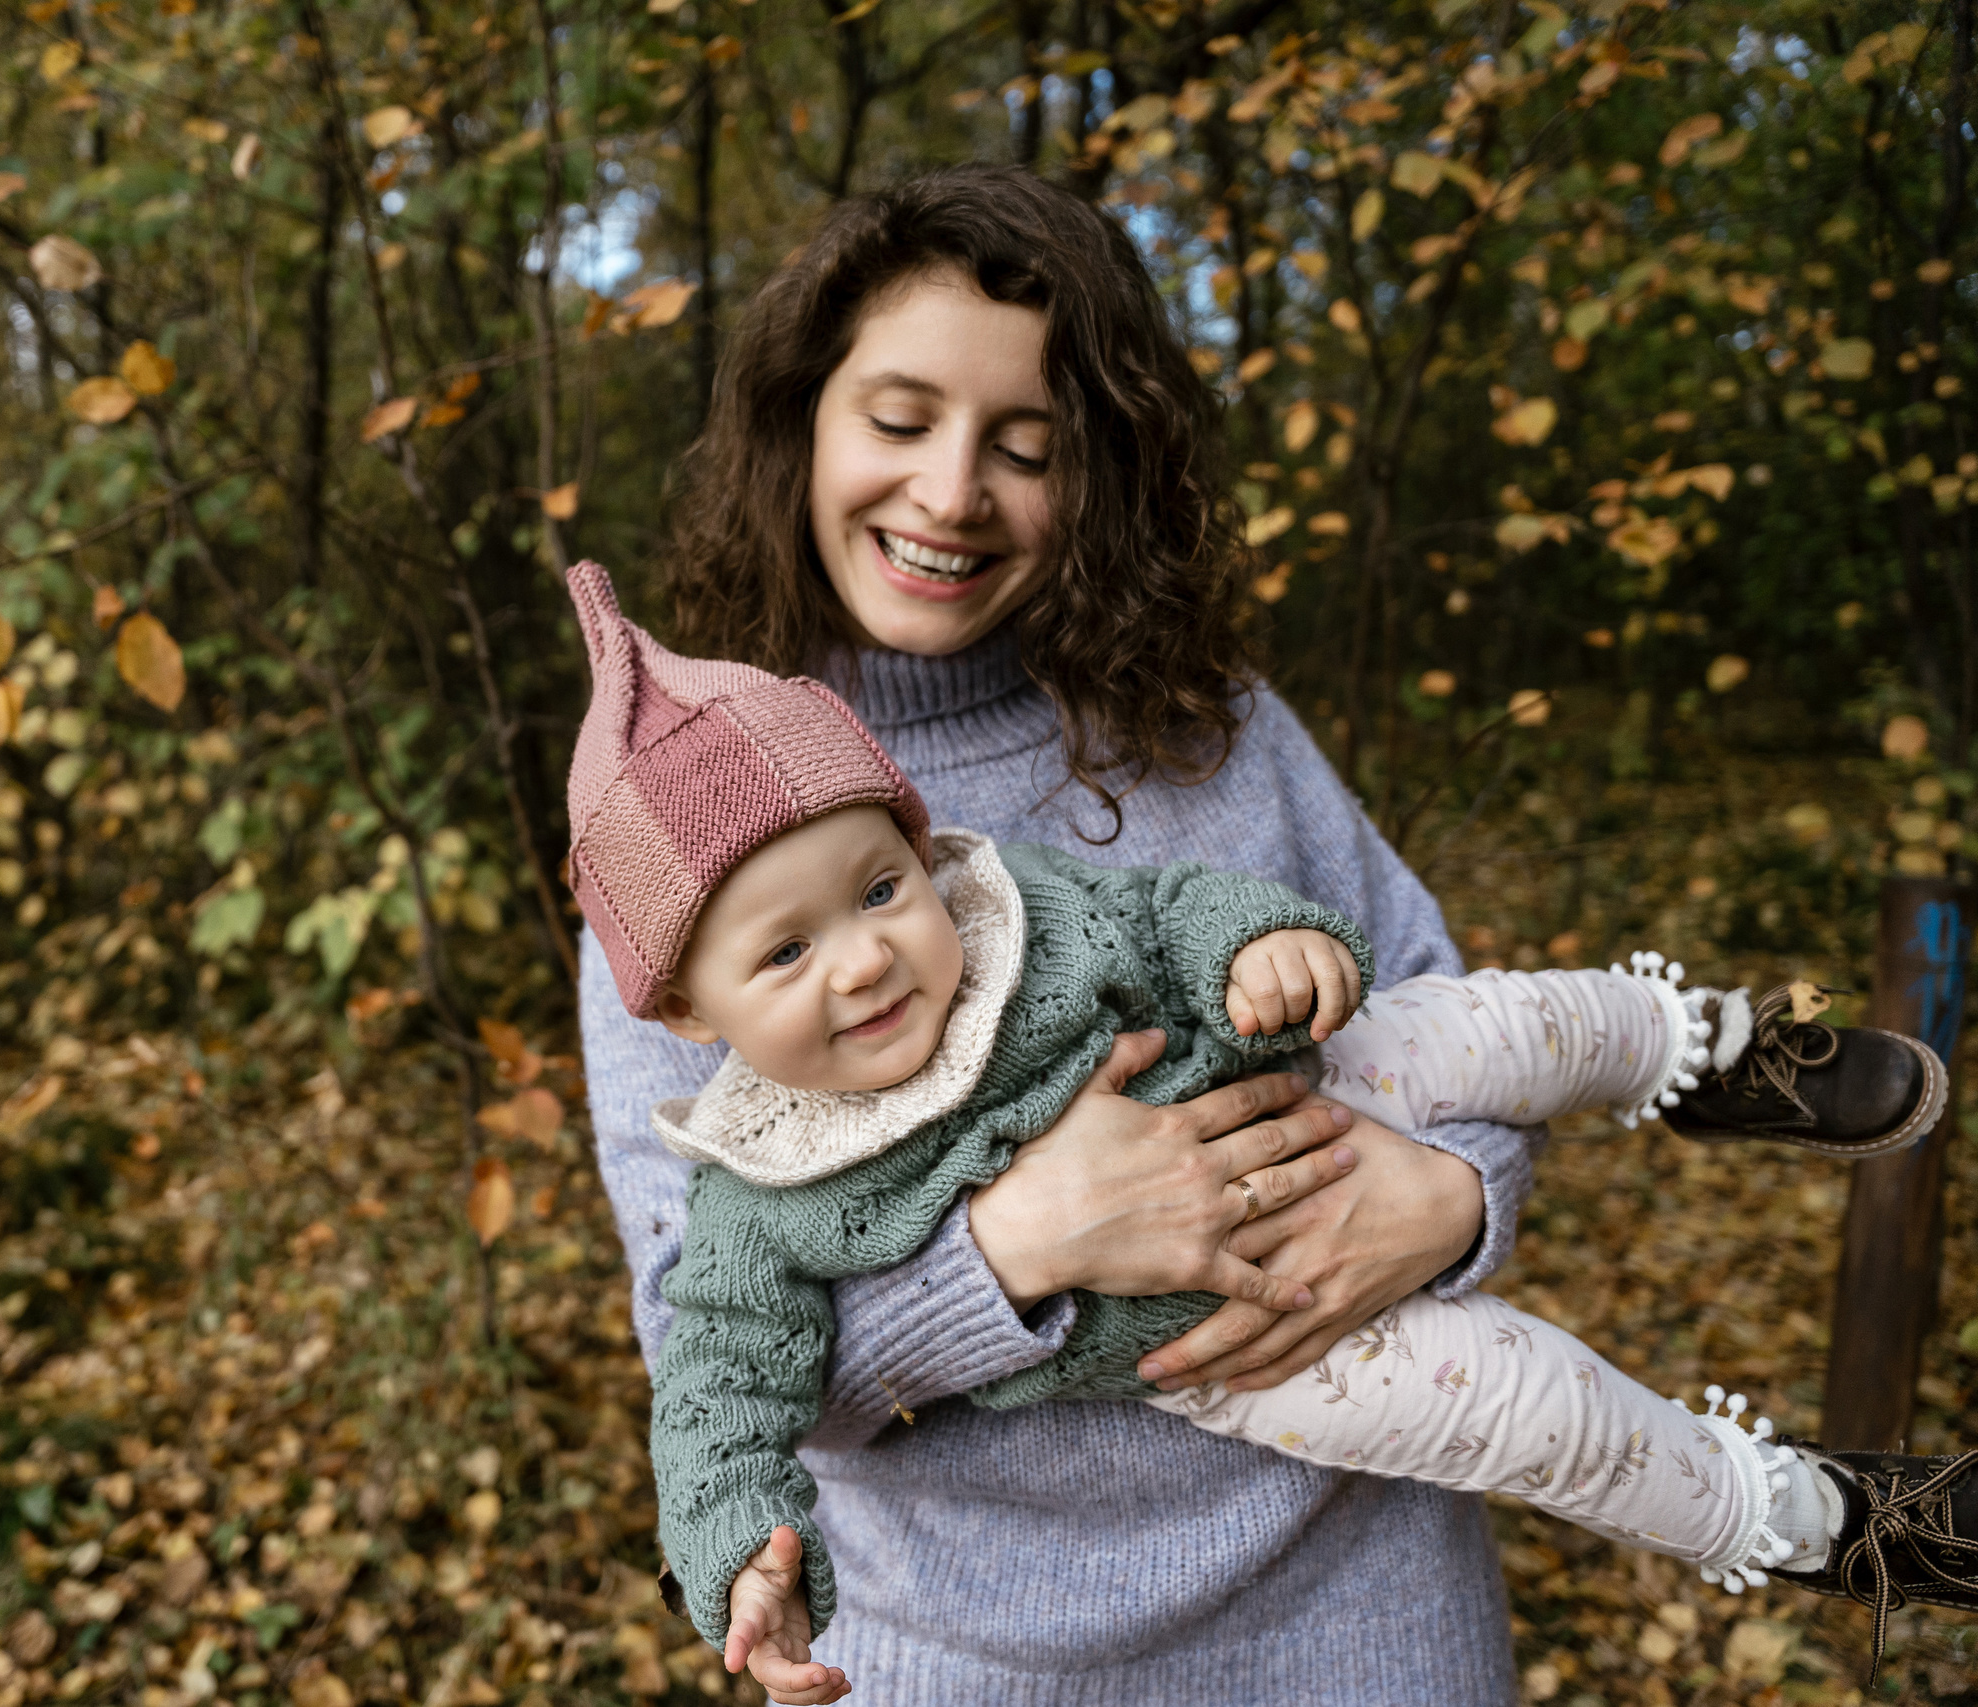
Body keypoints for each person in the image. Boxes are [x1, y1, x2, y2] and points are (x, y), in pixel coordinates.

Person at [575, 164, 1964, 1705]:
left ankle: (1706, 1057)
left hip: (1364, 1614)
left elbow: (1427, 998)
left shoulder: (1205, 728)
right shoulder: (685, 872)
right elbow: (716, 1357)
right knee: (1541, 1412)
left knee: (1507, 1080)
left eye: (1027, 448)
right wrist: (1021, 1248)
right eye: (899, 421)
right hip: (957, 1656)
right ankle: (1780, 1512)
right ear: (802, 423)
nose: (953, 493)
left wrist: (1452, 1202)